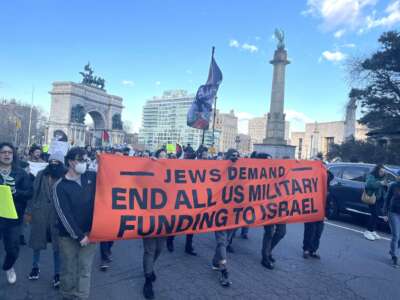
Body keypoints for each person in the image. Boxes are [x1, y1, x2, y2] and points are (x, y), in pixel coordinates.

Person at [53, 147, 97, 300]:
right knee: (69, 269)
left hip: (91, 233)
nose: (85, 163)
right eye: (81, 160)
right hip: (68, 237)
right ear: (71, 162)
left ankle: (81, 297)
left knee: (85, 269)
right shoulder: (60, 185)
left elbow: (116, 176)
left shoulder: (91, 176)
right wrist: (78, 236)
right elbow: (63, 214)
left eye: (86, 159)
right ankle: (67, 295)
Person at [25, 151, 66, 288]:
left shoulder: (66, 176)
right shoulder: (41, 174)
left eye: (57, 162)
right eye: (52, 162)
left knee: (57, 247)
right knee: (37, 243)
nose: (54, 164)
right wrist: (29, 212)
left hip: (57, 217)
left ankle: (57, 274)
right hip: (40, 214)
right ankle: (35, 267)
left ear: (61, 164)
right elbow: (33, 194)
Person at [0, 142, 33, 284]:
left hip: (13, 218)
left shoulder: (21, 173)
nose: (6, 155)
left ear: (13, 155)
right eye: (3, 152)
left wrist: (15, 192)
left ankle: (8, 267)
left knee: (12, 250)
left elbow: (29, 193)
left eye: (9, 152)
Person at [211, 148, 239, 287]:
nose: (235, 159)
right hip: (220, 212)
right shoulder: (218, 169)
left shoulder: (241, 171)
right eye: (233, 156)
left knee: (226, 240)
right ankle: (224, 271)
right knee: (222, 242)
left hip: (234, 214)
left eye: (237, 156)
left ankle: (216, 262)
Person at [142, 148, 167, 299]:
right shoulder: (148, 174)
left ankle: (149, 268)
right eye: (161, 157)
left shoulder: (171, 175)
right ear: (155, 158)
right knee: (150, 250)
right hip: (149, 219)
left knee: (159, 249)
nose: (164, 159)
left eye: (166, 157)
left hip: (164, 220)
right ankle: (147, 279)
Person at [166, 149, 198, 256]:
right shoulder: (179, 166)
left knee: (191, 226)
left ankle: (188, 246)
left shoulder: (197, 169)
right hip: (180, 200)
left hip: (192, 201)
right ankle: (170, 240)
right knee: (178, 224)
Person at [302, 166, 334, 259]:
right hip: (311, 211)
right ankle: (306, 249)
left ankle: (313, 250)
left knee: (318, 232)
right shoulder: (311, 181)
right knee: (309, 231)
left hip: (321, 213)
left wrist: (327, 214)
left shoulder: (327, 185)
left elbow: (329, 202)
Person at [363, 164, 386, 241]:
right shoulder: (371, 176)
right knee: (374, 214)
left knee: (376, 215)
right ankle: (368, 231)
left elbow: (383, 188)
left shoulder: (382, 177)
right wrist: (380, 183)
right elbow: (369, 185)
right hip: (372, 198)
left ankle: (372, 231)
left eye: (383, 171)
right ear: (377, 171)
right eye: (381, 171)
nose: (382, 173)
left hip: (379, 199)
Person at [383, 171, 400, 267]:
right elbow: (387, 199)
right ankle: (394, 256)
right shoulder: (394, 186)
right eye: (398, 176)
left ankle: (392, 250)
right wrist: (385, 213)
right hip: (393, 212)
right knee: (396, 235)